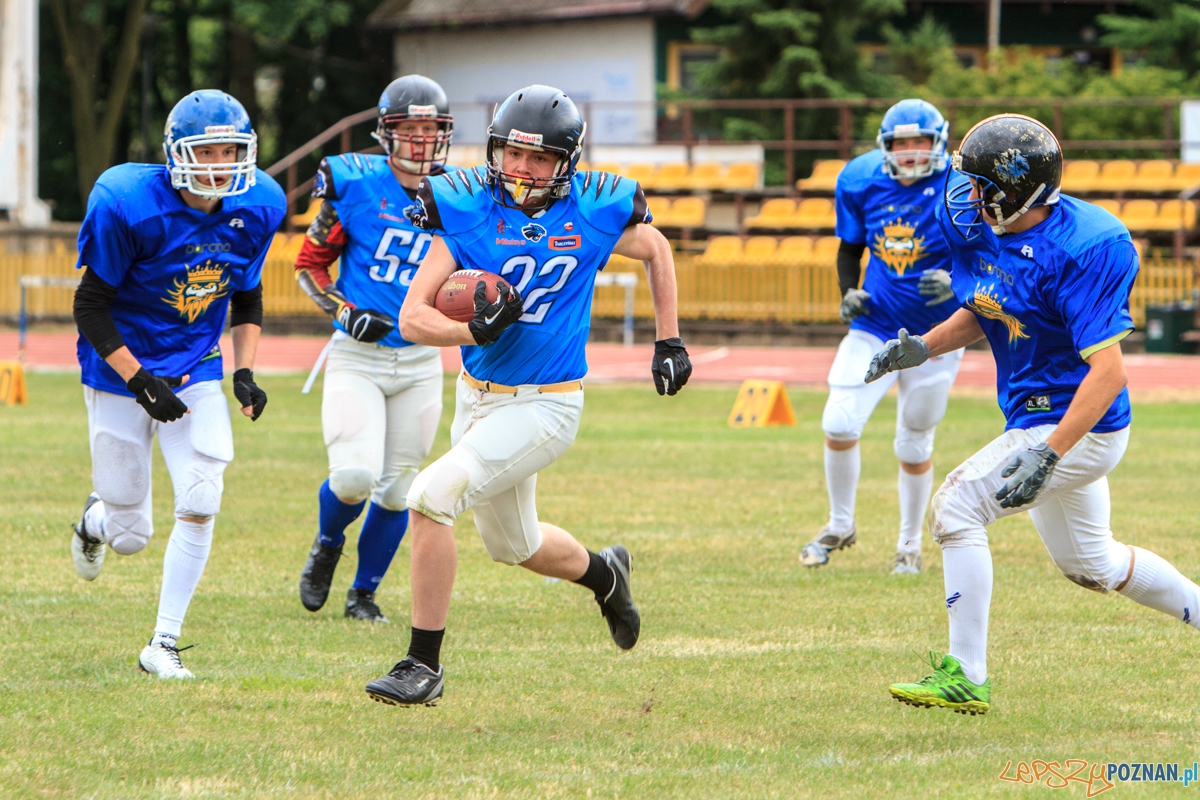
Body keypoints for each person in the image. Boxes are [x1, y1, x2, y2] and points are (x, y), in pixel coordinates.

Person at [363, 84, 692, 707]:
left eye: (539, 159)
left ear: (564, 163)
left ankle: (421, 665)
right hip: (477, 397)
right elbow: (412, 318)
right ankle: (606, 575)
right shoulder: (467, 209)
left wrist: (669, 340)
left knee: (431, 496)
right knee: (514, 546)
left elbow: (657, 248)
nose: (522, 168)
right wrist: (470, 329)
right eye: (513, 153)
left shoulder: (593, 209)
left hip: (548, 401)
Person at [869, 113, 1200, 716]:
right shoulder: (985, 227)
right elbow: (989, 304)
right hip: (1035, 417)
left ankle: (967, 675)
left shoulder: (1086, 245)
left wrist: (1051, 452)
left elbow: (1110, 373)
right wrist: (925, 345)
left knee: (958, 504)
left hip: (1082, 423)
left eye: (978, 184)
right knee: (1091, 564)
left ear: (1016, 191)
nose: (962, 194)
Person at [70, 90, 285, 679]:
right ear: (175, 154)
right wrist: (139, 381)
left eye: (231, 150)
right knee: (131, 535)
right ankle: (96, 521)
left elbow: (247, 293)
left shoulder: (259, 203)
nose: (220, 163)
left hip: (194, 366)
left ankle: (161, 644)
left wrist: (242, 370)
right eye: (207, 150)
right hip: (119, 370)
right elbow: (89, 305)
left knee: (201, 495)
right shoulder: (126, 202)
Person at [294, 75, 454, 623]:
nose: (419, 140)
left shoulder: (460, 193)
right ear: (386, 134)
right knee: (355, 477)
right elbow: (309, 264)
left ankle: (364, 594)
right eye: (408, 129)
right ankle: (328, 541)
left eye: (429, 128)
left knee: (399, 489)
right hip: (358, 356)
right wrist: (344, 311)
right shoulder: (355, 184)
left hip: (419, 360)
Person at [800, 99, 963, 575]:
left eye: (919, 142)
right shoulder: (859, 177)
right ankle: (839, 524)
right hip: (876, 322)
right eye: (901, 144)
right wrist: (848, 291)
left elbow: (988, 255)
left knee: (914, 442)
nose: (911, 153)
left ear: (939, 142)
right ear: (885, 146)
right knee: (839, 421)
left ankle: (908, 545)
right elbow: (849, 247)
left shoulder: (961, 186)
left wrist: (955, 282)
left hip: (939, 334)